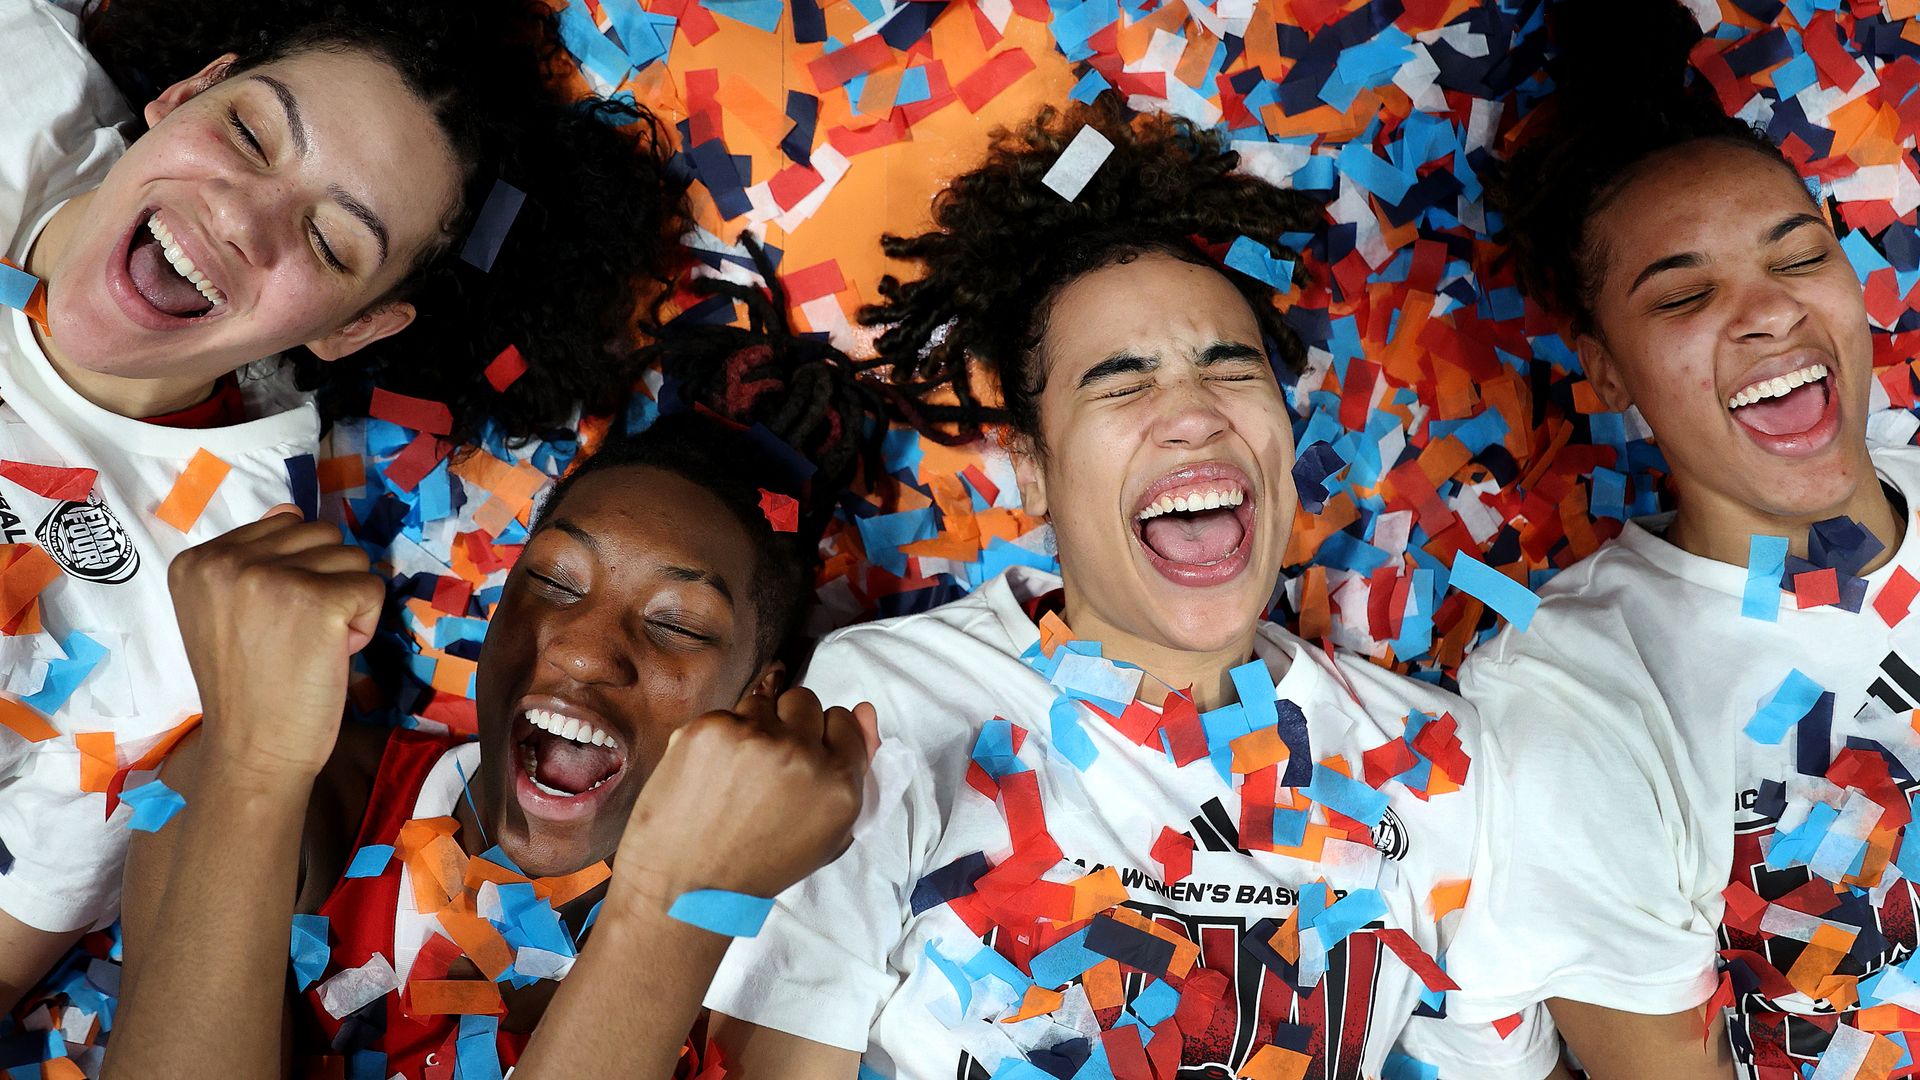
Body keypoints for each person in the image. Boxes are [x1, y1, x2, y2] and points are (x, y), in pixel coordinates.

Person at [703, 99, 1565, 1080]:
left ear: (1286, 439)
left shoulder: (1443, 768)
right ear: (1032, 468)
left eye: (1227, 368)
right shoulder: (889, 700)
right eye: (1121, 382)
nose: (1190, 415)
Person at [0, 0, 685, 1005]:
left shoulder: (211, 606)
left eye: (328, 241)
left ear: (355, 328)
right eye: (248, 133)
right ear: (186, 93)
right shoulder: (23, 71)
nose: (241, 215)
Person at [104, 305, 886, 1078]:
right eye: (551, 581)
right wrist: (254, 763)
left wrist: (681, 907)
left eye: (678, 623)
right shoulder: (278, 790)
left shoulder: (775, 959)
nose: (580, 649)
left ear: (758, 695)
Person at [1440, 1, 1918, 1076]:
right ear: (1604, 368)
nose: (1768, 313)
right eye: (1686, 295)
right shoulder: (1573, 685)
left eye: (1800, 257)